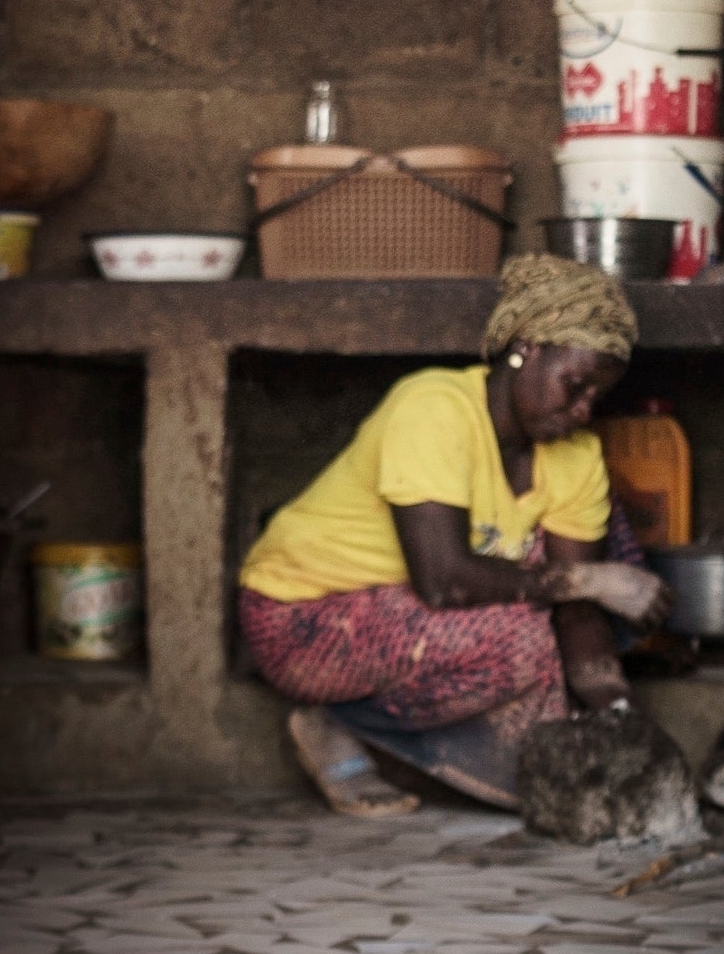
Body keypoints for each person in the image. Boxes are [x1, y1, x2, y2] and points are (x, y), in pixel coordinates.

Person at [236, 255, 669, 813]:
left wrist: (620, 719)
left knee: (558, 764)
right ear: (526, 349)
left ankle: (423, 745)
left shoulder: (574, 453)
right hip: (302, 617)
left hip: (420, 619)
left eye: (596, 398)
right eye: (574, 385)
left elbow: (577, 611)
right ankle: (337, 723)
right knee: (528, 632)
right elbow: (443, 581)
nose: (583, 411)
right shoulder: (434, 408)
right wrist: (592, 579)